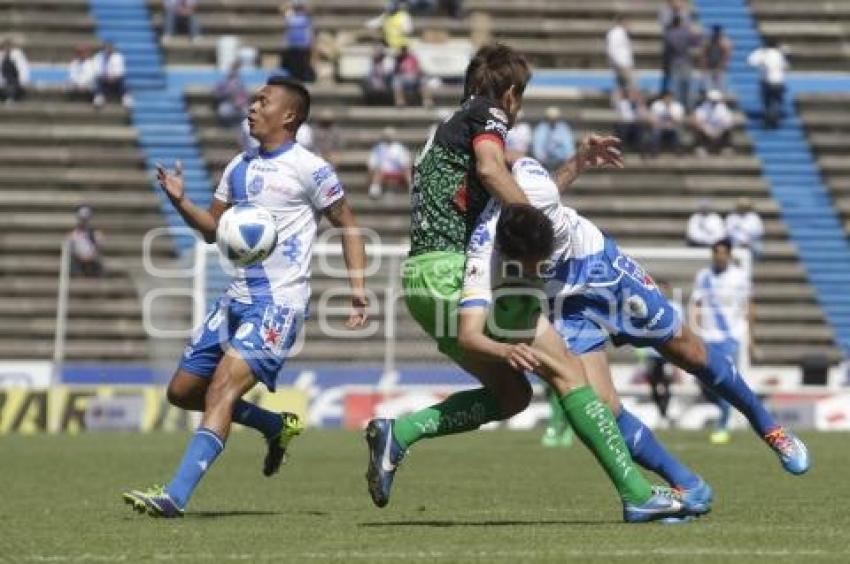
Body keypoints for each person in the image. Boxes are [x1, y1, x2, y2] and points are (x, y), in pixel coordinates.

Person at [361, 43, 682, 521]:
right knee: (569, 373)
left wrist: (572, 166)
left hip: (422, 281)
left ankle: (399, 433)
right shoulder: (487, 113)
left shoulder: (444, 131)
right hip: (459, 273)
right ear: (510, 94)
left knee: (512, 396)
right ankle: (637, 494)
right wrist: (537, 231)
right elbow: (495, 173)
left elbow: (506, 194)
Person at [463, 158, 810, 509]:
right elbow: (469, 328)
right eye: (535, 263)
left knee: (689, 351)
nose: (540, 263)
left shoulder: (532, 180)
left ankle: (771, 429)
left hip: (601, 268)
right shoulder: (485, 248)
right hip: (562, 306)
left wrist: (580, 159)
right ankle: (688, 485)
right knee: (601, 407)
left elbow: (525, 171)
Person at [122, 77, 368, 517]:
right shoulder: (238, 166)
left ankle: (174, 496)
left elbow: (348, 224)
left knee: (220, 388)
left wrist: (357, 290)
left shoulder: (310, 168)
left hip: (279, 304)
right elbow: (212, 231)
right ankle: (274, 426)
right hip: (235, 299)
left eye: (262, 101)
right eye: (253, 100)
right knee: (181, 392)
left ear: (288, 115)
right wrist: (181, 202)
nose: (252, 107)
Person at [691, 239, 755, 444]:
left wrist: (751, 335)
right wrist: (695, 330)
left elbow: (749, 304)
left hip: (730, 336)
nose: (718, 256)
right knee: (701, 380)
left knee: (723, 380)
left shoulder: (739, 276)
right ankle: (723, 409)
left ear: (728, 254)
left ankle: (723, 426)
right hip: (708, 336)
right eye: (715, 252)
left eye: (722, 252)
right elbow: (697, 303)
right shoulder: (704, 276)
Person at [638, 280, 681, 427]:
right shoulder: (647, 307)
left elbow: (679, 331)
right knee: (652, 383)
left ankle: (665, 413)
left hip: (669, 352)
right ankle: (662, 413)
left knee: (667, 383)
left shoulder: (676, 307)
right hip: (651, 352)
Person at [748, 38, 788, 128]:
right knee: (776, 102)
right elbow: (786, 66)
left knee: (767, 102)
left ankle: (768, 120)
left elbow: (751, 62)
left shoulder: (763, 53)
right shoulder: (779, 54)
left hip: (767, 82)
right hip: (779, 82)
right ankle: (775, 119)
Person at [663, 16, 702, 109]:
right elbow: (696, 42)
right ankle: (688, 107)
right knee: (687, 86)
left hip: (674, 62)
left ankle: (678, 108)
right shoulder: (686, 32)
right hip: (685, 61)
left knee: (676, 87)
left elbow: (667, 50)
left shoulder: (669, 34)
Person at [367, 126, 411, 199]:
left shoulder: (400, 148)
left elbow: (406, 162)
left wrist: (401, 163)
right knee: (377, 172)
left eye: (390, 135)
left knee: (407, 171)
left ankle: (412, 189)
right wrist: (373, 168)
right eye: (387, 136)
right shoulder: (378, 148)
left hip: (398, 171)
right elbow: (371, 162)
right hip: (383, 172)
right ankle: (375, 191)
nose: (389, 137)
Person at [532, 106, 575, 171]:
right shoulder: (541, 128)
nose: (553, 120)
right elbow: (538, 146)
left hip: (561, 160)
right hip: (546, 161)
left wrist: (569, 157)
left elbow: (568, 144)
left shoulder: (563, 128)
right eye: (551, 118)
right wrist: (541, 157)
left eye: (555, 118)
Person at [280, 0, 314, 82]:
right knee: (294, 67)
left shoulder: (306, 16)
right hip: (292, 45)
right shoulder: (290, 15)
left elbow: (311, 8)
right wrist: (291, 4)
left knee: (303, 66)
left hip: (304, 45)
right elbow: (282, 8)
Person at [67, 206, 104, 278]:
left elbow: (99, 247)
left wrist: (90, 256)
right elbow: (72, 250)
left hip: (92, 261)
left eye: (86, 219)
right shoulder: (73, 234)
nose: (84, 222)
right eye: (82, 219)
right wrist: (81, 257)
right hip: (79, 261)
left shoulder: (96, 234)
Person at [692, 89, 733, 155]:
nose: (713, 102)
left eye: (715, 101)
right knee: (698, 129)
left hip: (719, 131)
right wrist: (707, 130)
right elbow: (698, 120)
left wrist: (719, 131)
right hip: (707, 130)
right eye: (712, 100)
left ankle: (725, 148)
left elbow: (727, 122)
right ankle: (701, 148)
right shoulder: (703, 107)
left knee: (728, 129)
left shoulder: (723, 108)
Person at [92, 43, 132, 109]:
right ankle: (99, 99)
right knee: (97, 80)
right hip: (103, 79)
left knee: (124, 81)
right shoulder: (98, 57)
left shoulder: (118, 57)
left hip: (116, 79)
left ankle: (127, 100)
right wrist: (105, 76)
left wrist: (114, 77)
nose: (108, 50)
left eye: (110, 48)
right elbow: (96, 69)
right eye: (107, 48)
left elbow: (121, 70)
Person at [613, 87, 649, 156]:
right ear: (628, 95)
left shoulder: (640, 104)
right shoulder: (622, 103)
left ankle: (640, 150)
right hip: (625, 124)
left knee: (641, 128)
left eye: (635, 95)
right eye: (632, 95)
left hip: (636, 124)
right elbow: (622, 116)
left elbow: (644, 116)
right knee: (622, 128)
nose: (634, 97)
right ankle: (621, 150)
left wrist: (640, 106)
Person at [214, 62, 249, 127]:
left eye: (235, 69)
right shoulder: (223, 81)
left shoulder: (240, 81)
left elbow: (245, 96)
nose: (233, 71)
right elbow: (217, 94)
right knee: (223, 111)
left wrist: (240, 102)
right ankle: (227, 127)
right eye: (232, 69)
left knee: (246, 111)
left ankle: (240, 127)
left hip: (239, 105)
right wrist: (227, 93)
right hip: (227, 103)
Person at [649, 91, 684, 155]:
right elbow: (652, 118)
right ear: (663, 98)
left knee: (677, 131)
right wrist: (660, 124)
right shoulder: (656, 105)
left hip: (672, 127)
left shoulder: (677, 106)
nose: (668, 99)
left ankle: (678, 151)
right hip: (659, 126)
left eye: (670, 97)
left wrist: (669, 110)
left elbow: (679, 120)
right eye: (666, 97)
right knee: (656, 132)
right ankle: (654, 151)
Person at [606, 14, 633, 92]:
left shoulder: (622, 33)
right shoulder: (616, 33)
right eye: (627, 22)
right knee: (629, 87)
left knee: (622, 87)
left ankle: (621, 103)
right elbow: (611, 50)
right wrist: (618, 64)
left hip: (623, 64)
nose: (629, 24)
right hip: (621, 64)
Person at [702, 25, 732, 93]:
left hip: (720, 69)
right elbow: (704, 55)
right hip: (709, 68)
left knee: (721, 89)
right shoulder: (708, 42)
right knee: (709, 89)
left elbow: (726, 56)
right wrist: (705, 66)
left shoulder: (724, 42)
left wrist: (721, 66)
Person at [0, 38, 30, 104]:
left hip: (15, 82)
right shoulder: (1, 57)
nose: (6, 49)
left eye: (8, 47)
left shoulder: (17, 56)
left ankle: (11, 98)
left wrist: (23, 82)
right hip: (5, 83)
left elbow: (23, 70)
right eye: (4, 47)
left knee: (12, 88)